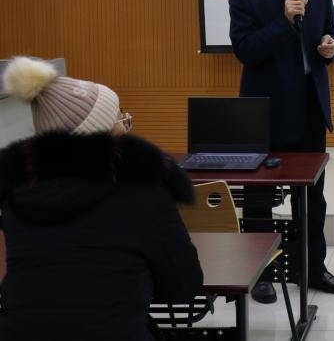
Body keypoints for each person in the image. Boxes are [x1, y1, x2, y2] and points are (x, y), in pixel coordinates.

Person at [0, 56, 203, 341]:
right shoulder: (144, 192)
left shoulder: (16, 197)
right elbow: (183, 287)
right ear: (102, 137)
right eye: (118, 119)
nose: (125, 127)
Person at [228, 0, 334, 304]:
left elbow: (331, 32)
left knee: (312, 196)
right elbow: (246, 51)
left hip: (310, 107)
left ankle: (313, 268)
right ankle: (260, 273)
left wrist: (331, 47)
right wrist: (283, 22)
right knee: (259, 196)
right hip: (267, 113)